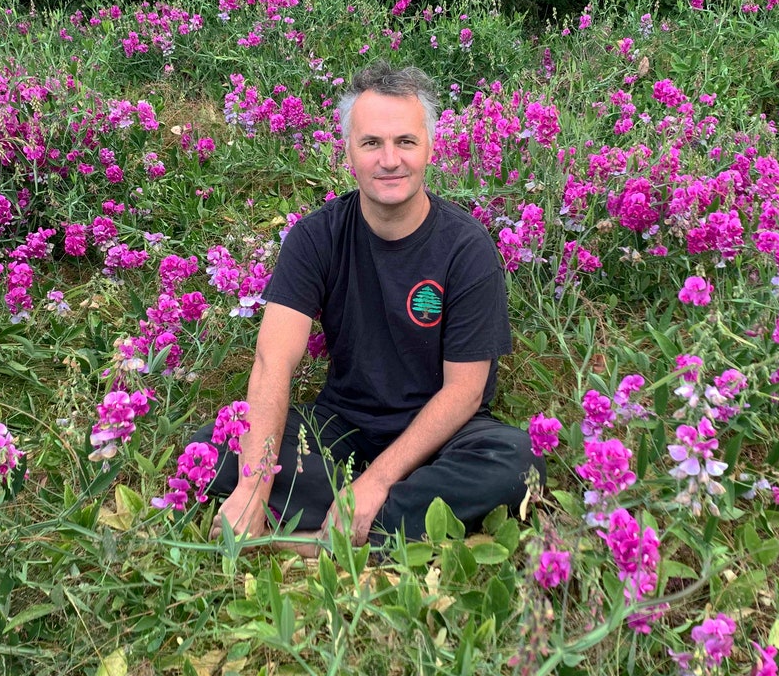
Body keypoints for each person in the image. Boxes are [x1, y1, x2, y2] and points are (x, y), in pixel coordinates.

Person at [191, 62, 543, 551]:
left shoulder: (468, 247)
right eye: (371, 143)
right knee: (216, 440)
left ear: (430, 149)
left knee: (519, 458)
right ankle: (391, 525)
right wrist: (254, 481)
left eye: (405, 142)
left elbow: (464, 392)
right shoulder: (316, 237)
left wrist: (377, 481)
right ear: (348, 152)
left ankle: (317, 535)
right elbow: (274, 360)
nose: (389, 160)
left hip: (441, 436)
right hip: (341, 428)